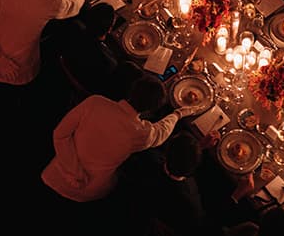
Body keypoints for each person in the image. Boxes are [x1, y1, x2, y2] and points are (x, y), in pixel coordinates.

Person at [41, 74, 182, 202]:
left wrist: (74, 170)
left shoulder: (95, 103)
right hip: (89, 190)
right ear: (150, 111)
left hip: (58, 174)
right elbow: (162, 132)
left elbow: (60, 135)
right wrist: (177, 115)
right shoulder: (141, 133)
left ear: (131, 90)